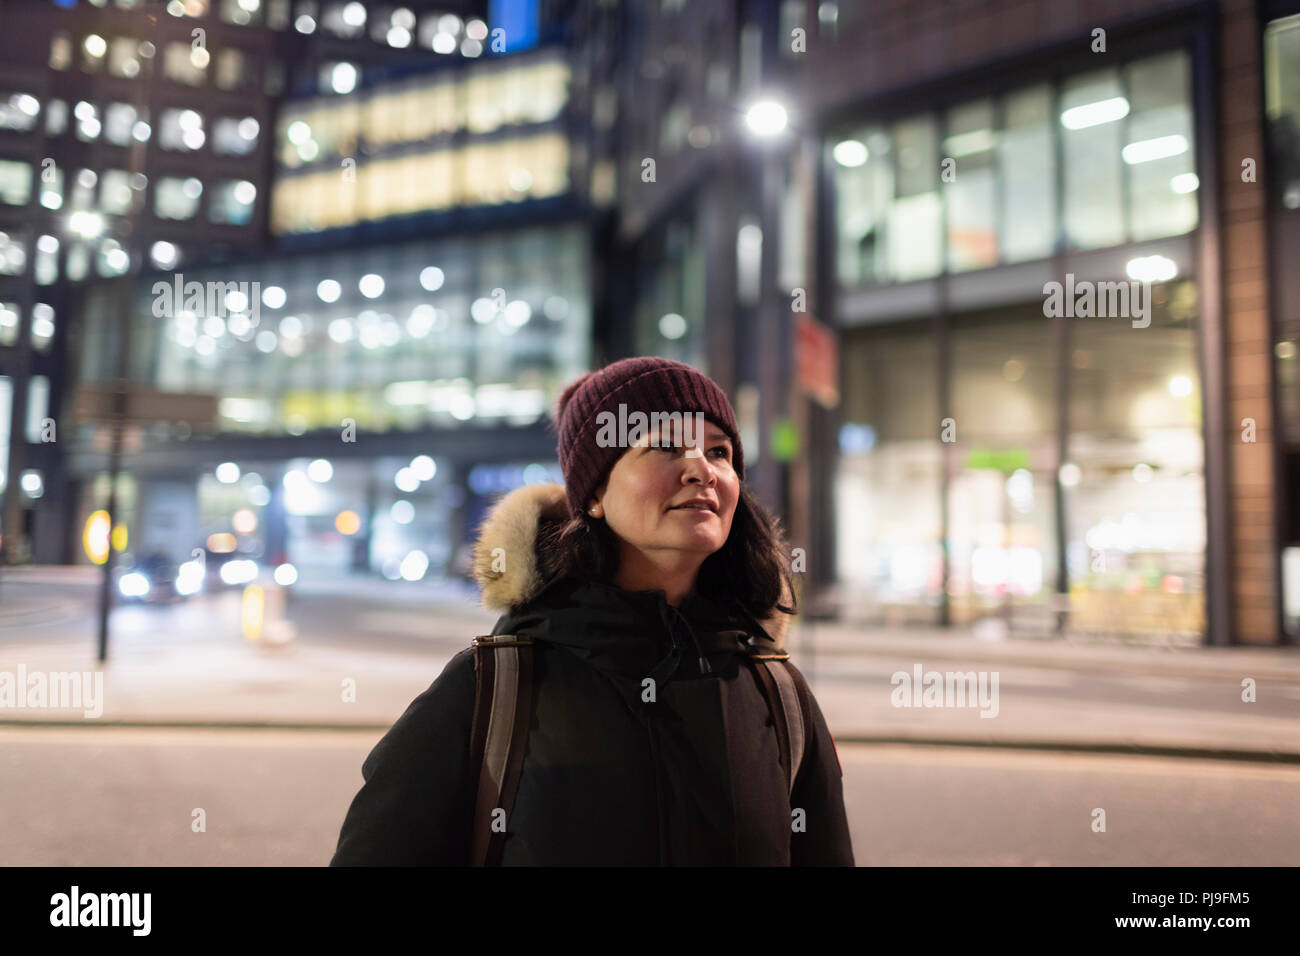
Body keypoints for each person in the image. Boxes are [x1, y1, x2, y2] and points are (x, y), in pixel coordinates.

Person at [330, 356, 854, 865]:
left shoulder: (777, 694)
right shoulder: (496, 690)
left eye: (720, 453)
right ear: (595, 493)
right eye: (666, 446)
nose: (702, 469)